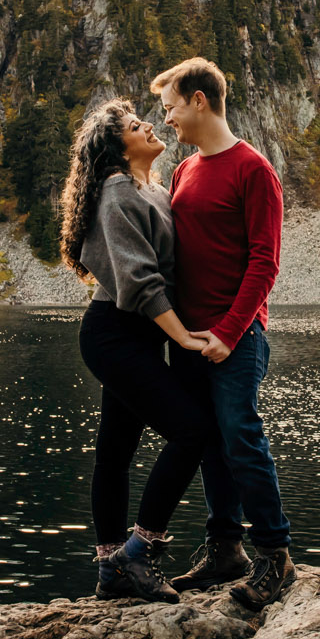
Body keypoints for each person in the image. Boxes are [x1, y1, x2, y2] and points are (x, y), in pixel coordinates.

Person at [149, 57, 296, 610]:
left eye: (171, 108)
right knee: (209, 441)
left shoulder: (253, 170)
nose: (167, 121)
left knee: (240, 435)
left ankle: (274, 555)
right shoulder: (185, 171)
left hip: (237, 338)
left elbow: (265, 263)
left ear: (200, 101)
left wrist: (230, 333)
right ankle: (224, 550)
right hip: (189, 339)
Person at [59, 98, 214, 604]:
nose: (147, 124)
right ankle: (138, 552)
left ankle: (110, 569)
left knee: (116, 451)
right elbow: (143, 283)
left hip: (134, 334)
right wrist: (185, 339)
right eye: (132, 125)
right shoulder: (117, 193)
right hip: (115, 334)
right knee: (193, 432)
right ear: (116, 148)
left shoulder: (151, 188)